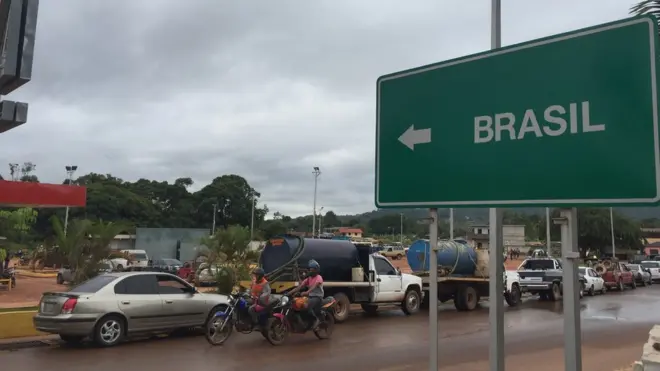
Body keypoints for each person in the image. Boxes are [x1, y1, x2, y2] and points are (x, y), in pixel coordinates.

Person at [288, 259, 324, 330]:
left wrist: (307, 292)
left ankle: (316, 319)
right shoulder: (308, 278)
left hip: (317, 297)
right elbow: (300, 287)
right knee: (297, 304)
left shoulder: (319, 277)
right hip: (310, 297)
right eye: (310, 269)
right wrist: (289, 293)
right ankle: (304, 320)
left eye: (312, 269)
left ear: (316, 270)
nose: (310, 270)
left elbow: (315, 286)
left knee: (306, 305)